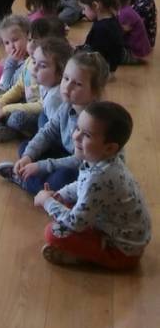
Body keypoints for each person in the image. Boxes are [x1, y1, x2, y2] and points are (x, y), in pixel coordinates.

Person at [35, 101, 151, 269]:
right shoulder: (102, 160)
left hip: (121, 252)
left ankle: (84, 258)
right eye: (77, 128)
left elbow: (76, 222)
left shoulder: (100, 177)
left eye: (87, 135)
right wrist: (60, 194)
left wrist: (47, 202)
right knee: (64, 204)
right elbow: (81, 184)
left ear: (109, 148)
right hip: (115, 229)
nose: (76, 136)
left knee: (52, 233)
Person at [0, 51, 109, 195]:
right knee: (25, 147)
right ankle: (36, 180)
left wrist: (41, 166)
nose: (67, 87)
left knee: (63, 178)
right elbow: (48, 132)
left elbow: (80, 160)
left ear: (95, 92)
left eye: (78, 84)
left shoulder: (94, 121)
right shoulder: (67, 105)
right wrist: (28, 156)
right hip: (66, 153)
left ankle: (27, 181)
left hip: (83, 166)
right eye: (66, 78)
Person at [0, 17, 69, 143]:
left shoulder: (50, 75)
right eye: (30, 39)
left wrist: (6, 109)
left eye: (36, 41)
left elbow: (41, 106)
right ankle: (1, 123)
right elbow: (18, 87)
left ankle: (4, 124)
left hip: (37, 112)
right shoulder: (30, 61)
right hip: (26, 102)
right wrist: (1, 103)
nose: (30, 44)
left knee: (17, 118)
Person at [77, 0, 125, 72]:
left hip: (101, 71)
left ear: (95, 6)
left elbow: (93, 57)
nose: (83, 12)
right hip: (106, 66)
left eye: (84, 8)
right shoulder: (110, 20)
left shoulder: (102, 29)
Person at [32, 35, 74, 128]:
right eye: (34, 62)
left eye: (43, 66)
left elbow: (57, 130)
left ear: (60, 73)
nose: (34, 68)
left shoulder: (53, 99)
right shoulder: (45, 84)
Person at [115, 0, 151, 64]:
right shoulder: (126, 9)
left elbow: (121, 32)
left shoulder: (125, 13)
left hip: (136, 51)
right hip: (138, 47)